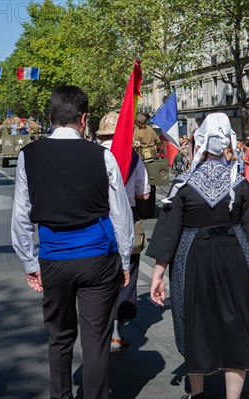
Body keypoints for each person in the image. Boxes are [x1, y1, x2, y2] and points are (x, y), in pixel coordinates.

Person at [11, 86, 134, 399]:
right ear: (83, 118)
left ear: (51, 117)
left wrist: (29, 262)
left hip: (53, 259)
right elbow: (120, 215)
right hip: (97, 260)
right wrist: (124, 260)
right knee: (95, 341)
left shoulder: (29, 155)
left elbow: (21, 217)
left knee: (59, 338)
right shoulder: (102, 156)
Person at [147, 113, 249, 399]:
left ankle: (197, 394)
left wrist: (157, 276)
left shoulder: (183, 184)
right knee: (236, 327)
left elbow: (169, 231)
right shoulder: (239, 182)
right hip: (236, 257)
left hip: (193, 258)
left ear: (199, 142)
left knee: (198, 324)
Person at [96, 111, 151, 351]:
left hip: (98, 221)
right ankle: (118, 333)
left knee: (99, 277)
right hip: (127, 216)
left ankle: (100, 329)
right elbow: (145, 193)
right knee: (127, 275)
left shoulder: (93, 154)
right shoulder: (134, 157)